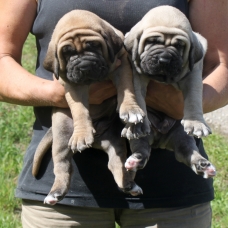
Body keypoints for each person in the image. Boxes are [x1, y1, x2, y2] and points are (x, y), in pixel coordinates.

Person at [0, 0, 227, 227]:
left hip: (171, 184)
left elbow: (221, 64)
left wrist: (184, 106)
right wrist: (62, 94)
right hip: (68, 188)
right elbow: (3, 58)